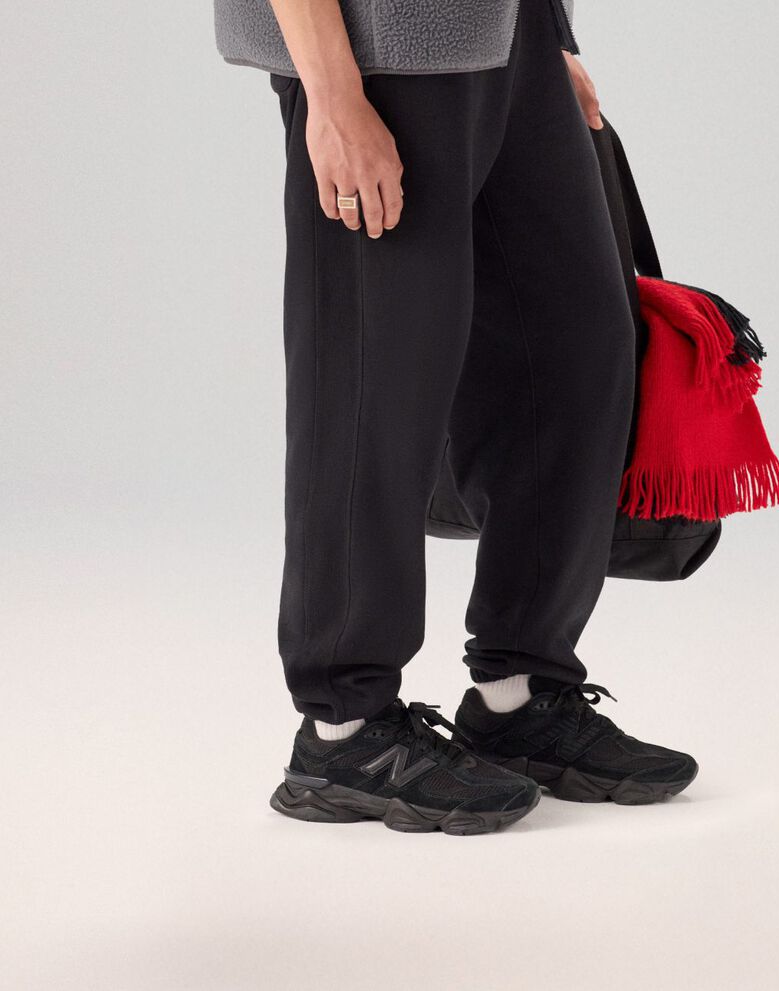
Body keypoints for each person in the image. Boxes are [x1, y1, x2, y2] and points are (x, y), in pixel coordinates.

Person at [214, 0, 698, 834]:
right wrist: (332, 96)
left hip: (507, 34)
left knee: (575, 342)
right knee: (376, 376)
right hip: (377, 47)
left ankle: (520, 691)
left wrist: (548, 34)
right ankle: (344, 724)